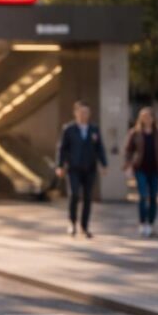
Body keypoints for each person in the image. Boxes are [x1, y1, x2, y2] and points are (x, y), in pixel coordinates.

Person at [56, 101, 107, 238]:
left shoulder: (94, 129)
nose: (84, 115)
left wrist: (103, 164)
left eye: (87, 112)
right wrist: (60, 166)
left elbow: (99, 148)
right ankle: (72, 223)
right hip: (74, 168)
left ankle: (84, 226)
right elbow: (62, 149)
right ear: (76, 113)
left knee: (88, 197)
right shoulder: (69, 129)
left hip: (89, 168)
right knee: (74, 195)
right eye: (81, 112)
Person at [123, 106, 158, 237]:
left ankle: (151, 224)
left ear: (153, 118)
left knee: (153, 197)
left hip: (155, 169)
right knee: (143, 196)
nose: (146, 119)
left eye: (149, 116)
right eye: (144, 116)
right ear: (140, 118)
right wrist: (128, 164)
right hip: (140, 168)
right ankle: (142, 223)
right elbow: (128, 150)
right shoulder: (134, 133)